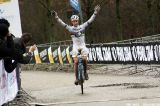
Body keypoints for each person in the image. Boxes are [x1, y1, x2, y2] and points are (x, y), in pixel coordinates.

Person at [52, 5, 101, 85]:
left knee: (85, 59)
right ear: (72, 22)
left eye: (76, 21)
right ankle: (76, 79)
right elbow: (62, 23)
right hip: (75, 47)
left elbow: (90, 20)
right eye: (74, 21)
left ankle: (85, 73)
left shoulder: (82, 26)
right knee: (75, 62)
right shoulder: (70, 28)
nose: (75, 22)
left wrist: (95, 12)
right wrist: (56, 17)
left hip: (82, 46)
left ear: (78, 21)